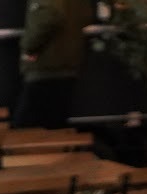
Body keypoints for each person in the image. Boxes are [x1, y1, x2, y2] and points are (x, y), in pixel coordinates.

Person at [16, 0, 92, 130]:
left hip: (46, 65)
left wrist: (28, 47)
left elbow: (49, 17)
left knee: (26, 131)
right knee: (55, 128)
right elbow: (86, 15)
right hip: (68, 64)